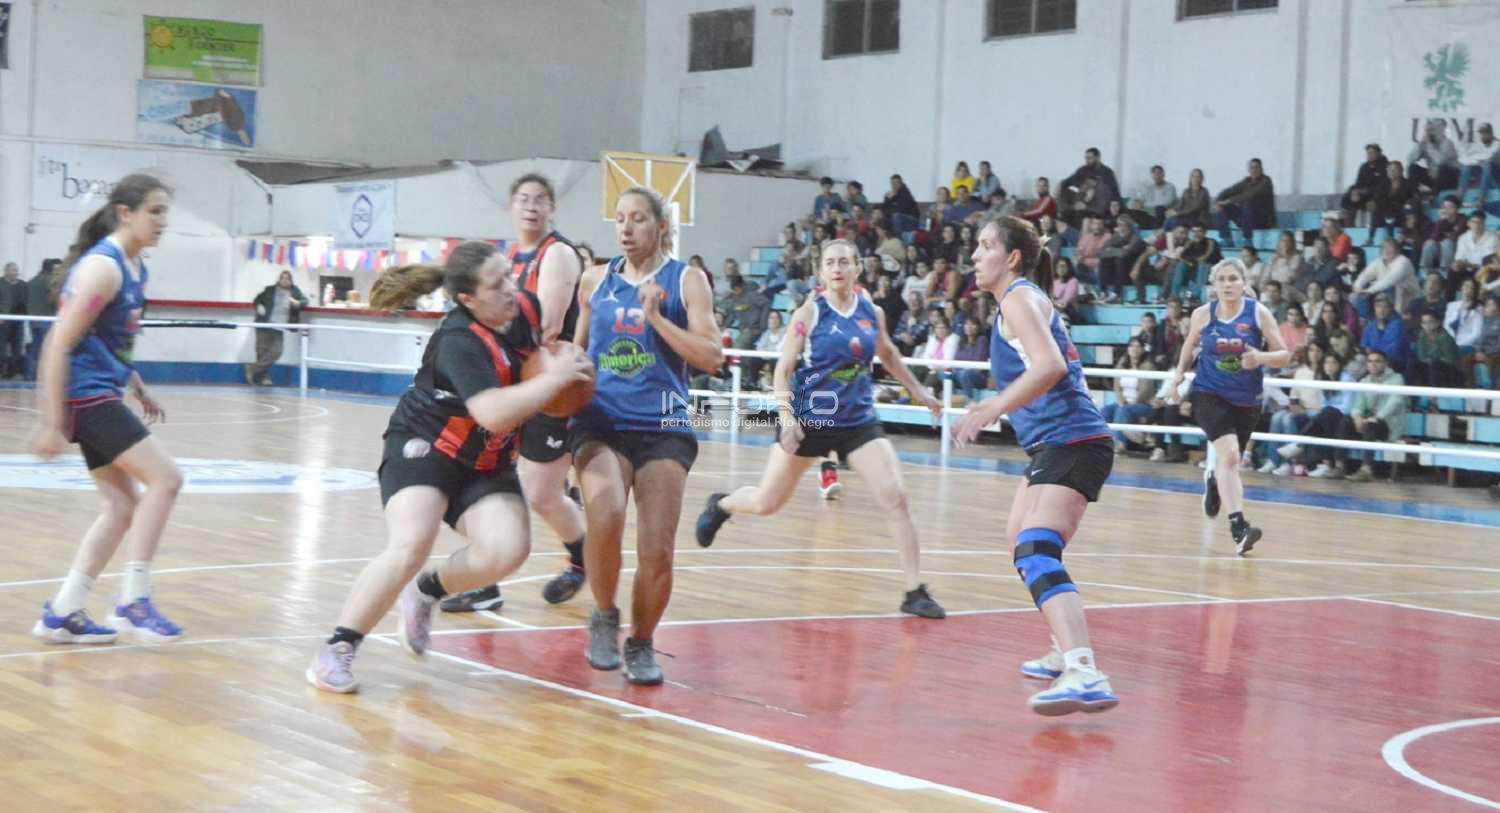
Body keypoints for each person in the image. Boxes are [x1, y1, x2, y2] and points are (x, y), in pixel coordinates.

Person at [306, 243, 593, 693]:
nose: (510, 289)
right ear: (467, 300)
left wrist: (567, 371)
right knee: (411, 543)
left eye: (509, 276)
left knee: (508, 549)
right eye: (496, 284)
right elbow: (493, 412)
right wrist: (554, 379)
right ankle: (339, 646)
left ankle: (428, 591)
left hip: (486, 460)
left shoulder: (525, 309)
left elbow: (544, 360)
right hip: (427, 446)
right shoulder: (459, 341)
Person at [695, 239, 946, 617]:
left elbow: (889, 354)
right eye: (830, 263)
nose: (837, 268)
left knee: (896, 496)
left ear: (858, 268)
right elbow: (782, 371)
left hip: (858, 422)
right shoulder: (809, 313)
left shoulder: (871, 312)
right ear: (821, 271)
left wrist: (920, 392)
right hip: (809, 420)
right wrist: (787, 419)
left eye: (844, 262)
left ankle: (915, 592)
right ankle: (722, 504)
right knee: (766, 503)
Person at [952, 215, 1119, 716]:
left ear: (1013, 258)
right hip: (1055, 443)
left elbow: (1051, 366)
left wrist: (992, 407)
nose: (975, 255)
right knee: (1018, 540)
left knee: (1036, 548)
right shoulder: (1020, 300)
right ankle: (1061, 650)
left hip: (1074, 439)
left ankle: (1084, 671)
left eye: (986, 246)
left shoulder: (1018, 298)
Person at [572, 186, 723, 685]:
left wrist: (656, 318)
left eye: (637, 219)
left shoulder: (687, 281)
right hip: (602, 421)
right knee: (606, 512)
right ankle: (603, 614)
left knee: (657, 548)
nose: (626, 228)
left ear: (661, 227)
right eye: (620, 219)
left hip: (663, 424)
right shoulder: (595, 280)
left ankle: (640, 641)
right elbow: (576, 353)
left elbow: (711, 357)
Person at [28, 174, 186, 645]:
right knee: (166, 479)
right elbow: (57, 344)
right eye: (155, 211)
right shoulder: (104, 268)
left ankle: (63, 612)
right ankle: (134, 601)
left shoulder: (135, 267)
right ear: (125, 213)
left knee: (121, 507)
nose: (163, 221)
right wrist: (50, 421)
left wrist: (135, 383)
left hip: (101, 391)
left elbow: (108, 340)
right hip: (84, 396)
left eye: (165, 212)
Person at [442, 174, 590, 614]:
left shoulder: (556, 253)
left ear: (552, 208)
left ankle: (575, 559)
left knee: (528, 492)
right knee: (505, 486)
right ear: (510, 206)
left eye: (540, 199)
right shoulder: (506, 259)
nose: (531, 206)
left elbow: (544, 327)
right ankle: (494, 578)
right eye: (523, 199)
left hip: (552, 387)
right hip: (520, 385)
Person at [1168, 259, 1291, 555]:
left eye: (1233, 278)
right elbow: (1189, 345)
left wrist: (1260, 358)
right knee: (1231, 455)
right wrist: (1179, 374)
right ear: (1214, 284)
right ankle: (1240, 529)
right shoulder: (1202, 314)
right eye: (1221, 279)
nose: (1227, 284)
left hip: (1247, 399)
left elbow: (1284, 354)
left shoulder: (1258, 313)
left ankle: (1214, 480)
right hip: (1208, 393)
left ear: (1244, 283)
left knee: (1229, 464)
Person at [246, 270, 308, 386]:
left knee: (277, 352)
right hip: (264, 324)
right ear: (279, 280)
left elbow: (305, 302)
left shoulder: (295, 291)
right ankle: (264, 378)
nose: (284, 280)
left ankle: (252, 369)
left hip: (279, 328)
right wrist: (259, 306)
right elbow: (257, 300)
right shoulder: (269, 290)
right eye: (282, 278)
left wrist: (297, 303)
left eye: (287, 278)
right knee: (262, 352)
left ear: (291, 280)